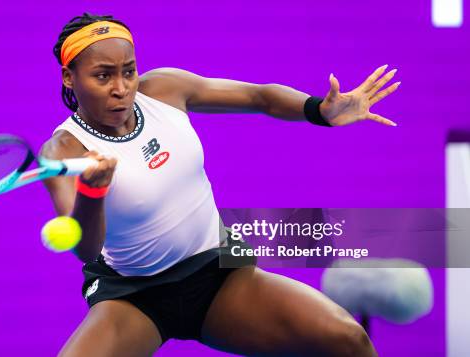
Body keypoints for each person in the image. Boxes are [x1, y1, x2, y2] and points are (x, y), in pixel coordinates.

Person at [41, 12, 398, 357]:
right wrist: (93, 191)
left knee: (349, 339)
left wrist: (318, 111)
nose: (121, 88)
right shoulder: (64, 149)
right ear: (69, 77)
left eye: (128, 72)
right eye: (102, 76)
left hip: (219, 273)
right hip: (133, 296)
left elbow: (260, 97)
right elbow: (86, 249)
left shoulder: (164, 89)